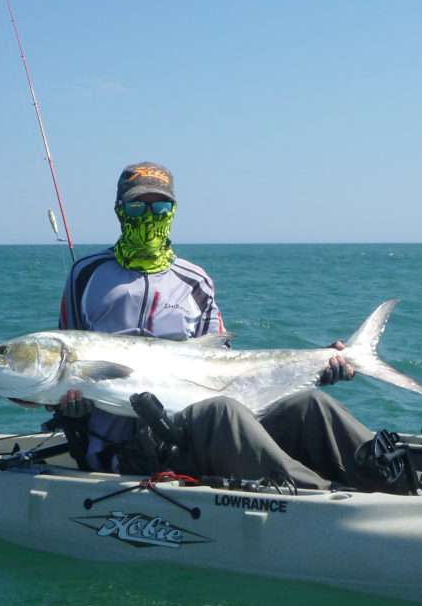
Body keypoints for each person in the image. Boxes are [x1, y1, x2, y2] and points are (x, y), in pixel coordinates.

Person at [53, 161, 377, 490]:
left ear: (173, 210)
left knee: (310, 406)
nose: (149, 216)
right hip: (122, 449)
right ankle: (321, 498)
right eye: (137, 207)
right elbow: (59, 370)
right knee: (222, 412)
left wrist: (317, 365)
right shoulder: (86, 276)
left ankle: (399, 482)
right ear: (119, 211)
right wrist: (70, 405)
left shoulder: (196, 281)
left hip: (190, 430)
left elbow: (224, 368)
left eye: (160, 206)